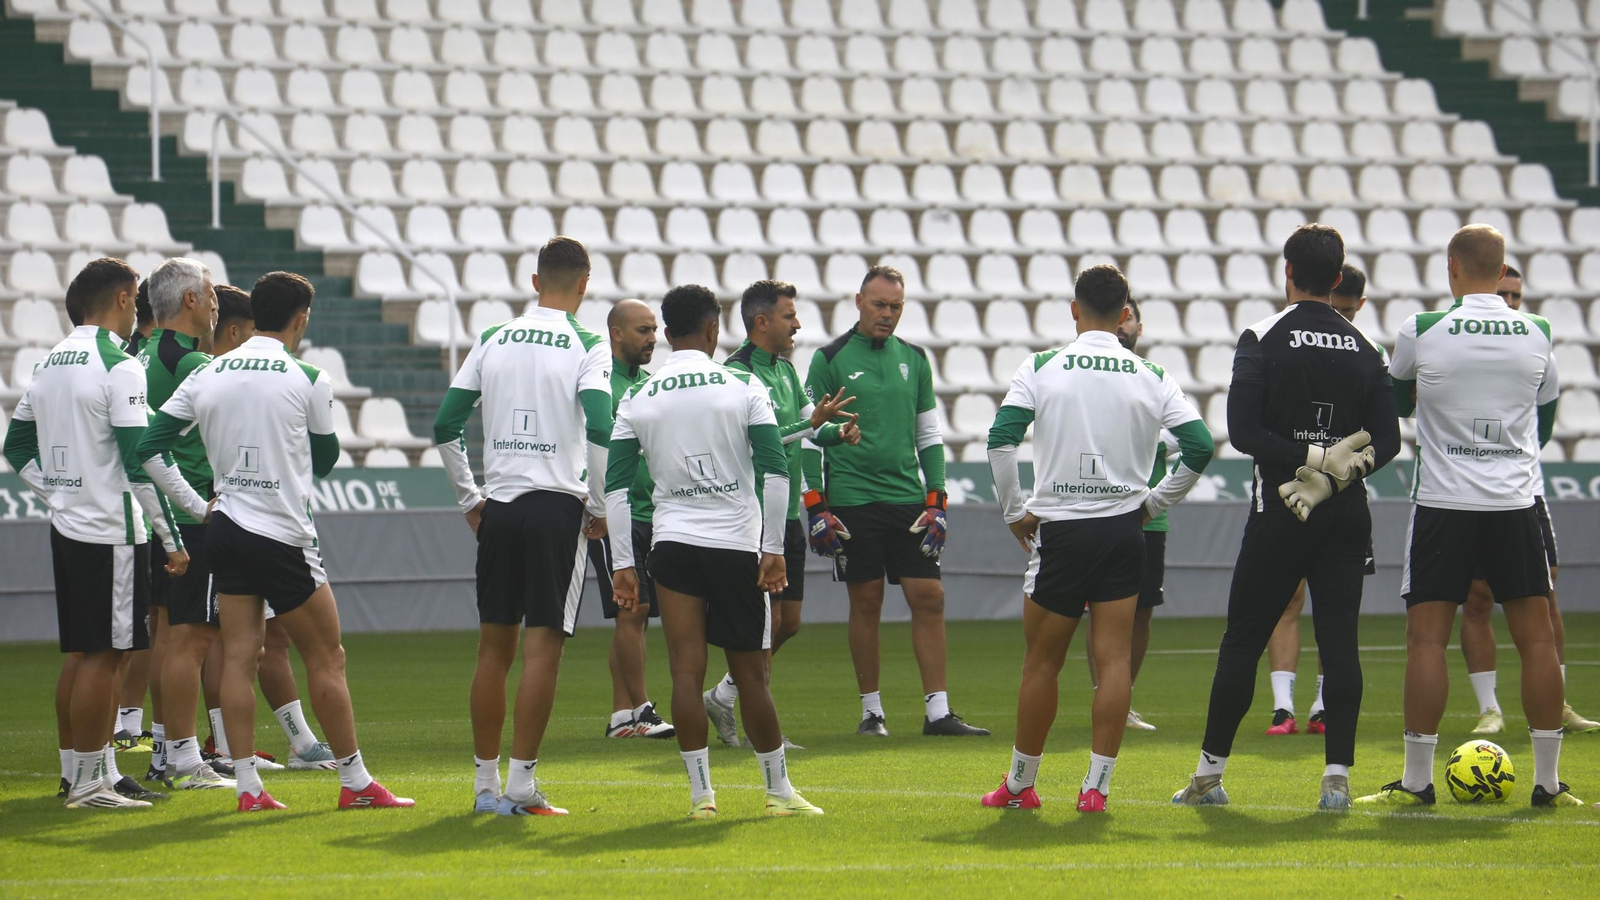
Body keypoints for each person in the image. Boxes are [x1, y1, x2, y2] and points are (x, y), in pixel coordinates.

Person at [137, 271, 413, 812]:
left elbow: (148, 448)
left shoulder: (208, 374)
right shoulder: (308, 375)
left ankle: (248, 787)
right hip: (284, 533)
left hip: (227, 527)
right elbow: (327, 459)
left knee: (239, 656)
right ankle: (355, 783)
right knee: (326, 657)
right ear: (301, 319)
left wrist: (198, 506)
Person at [1172, 224, 1400, 812]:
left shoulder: (1261, 336)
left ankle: (1208, 777)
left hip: (1278, 512)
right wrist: (1331, 474)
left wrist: (1308, 460)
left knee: (1242, 641)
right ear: (1338, 275)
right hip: (1345, 516)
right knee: (1341, 644)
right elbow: (1391, 441)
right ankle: (1337, 781)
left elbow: (1245, 433)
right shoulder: (1366, 349)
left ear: (1288, 271)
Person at [1357, 225, 1583, 808]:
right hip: (1514, 502)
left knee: (1425, 639)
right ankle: (1549, 784)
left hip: (1443, 503)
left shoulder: (1423, 329)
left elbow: (1399, 399)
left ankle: (1416, 781)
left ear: (1452, 267)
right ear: (1501, 267)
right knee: (1536, 639)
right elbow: (1544, 415)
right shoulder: (1538, 332)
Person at [983, 265, 1213, 813]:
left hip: (1061, 529)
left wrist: (1016, 513)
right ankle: (1096, 789)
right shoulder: (1150, 373)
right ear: (1125, 313)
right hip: (1122, 530)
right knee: (1113, 663)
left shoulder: (1042, 366)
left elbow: (1000, 440)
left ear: (1074, 308)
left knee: (1042, 664)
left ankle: (1021, 784)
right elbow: (1200, 445)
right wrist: (1153, 502)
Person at [604, 283, 823, 819]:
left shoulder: (639, 395)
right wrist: (773, 547)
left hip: (672, 543)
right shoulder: (742, 384)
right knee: (752, 674)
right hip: (735, 545)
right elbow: (774, 468)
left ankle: (702, 797)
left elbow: (612, 486)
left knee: (684, 673)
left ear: (668, 329)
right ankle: (777, 793)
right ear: (712, 329)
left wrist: (622, 565)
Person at [4, 257, 210, 809]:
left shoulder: (49, 361)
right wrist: (174, 537)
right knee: (109, 657)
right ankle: (93, 784)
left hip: (69, 525)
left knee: (81, 653)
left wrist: (59, 491)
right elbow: (141, 460)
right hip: (112, 530)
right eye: (135, 297)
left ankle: (78, 774)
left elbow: (15, 446)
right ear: (123, 298)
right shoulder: (120, 365)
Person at [431, 237, 611, 816]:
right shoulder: (588, 342)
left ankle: (485, 788)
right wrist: (602, 506)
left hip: (501, 508)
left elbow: (444, 424)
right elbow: (604, 429)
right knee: (543, 654)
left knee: (492, 651)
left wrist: (470, 500)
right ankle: (522, 787)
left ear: (535, 282)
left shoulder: (492, 336)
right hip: (557, 505)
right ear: (583, 286)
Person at [803, 266, 987, 737]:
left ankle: (938, 712)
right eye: (880, 304)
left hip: (908, 497)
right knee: (866, 602)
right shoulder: (829, 359)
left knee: (930, 597)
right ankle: (872, 712)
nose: (887, 314)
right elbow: (810, 436)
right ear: (859, 300)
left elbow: (928, 434)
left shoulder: (916, 359)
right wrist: (816, 505)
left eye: (896, 307)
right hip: (853, 499)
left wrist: (938, 497)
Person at [706, 280, 859, 749]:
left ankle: (722, 694)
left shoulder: (787, 372)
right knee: (761, 628)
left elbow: (808, 424)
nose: (798, 324)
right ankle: (761, 732)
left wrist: (835, 431)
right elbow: (759, 441)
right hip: (751, 515)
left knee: (785, 622)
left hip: (786, 511)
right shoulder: (735, 374)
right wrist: (810, 425)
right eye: (790, 316)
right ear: (761, 322)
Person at [1455, 266, 1600, 736]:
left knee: (1546, 592)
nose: (1512, 303)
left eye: (1516, 295)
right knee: (1476, 599)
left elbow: (1543, 428)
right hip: (1467, 491)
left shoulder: (1538, 348)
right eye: (1503, 294)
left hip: (1523, 490)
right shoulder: (1455, 346)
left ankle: (1557, 704)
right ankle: (1488, 708)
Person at [1262, 265, 1384, 737]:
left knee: (1336, 605)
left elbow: (1380, 434)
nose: (1339, 316)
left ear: (1359, 306)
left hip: (1344, 495)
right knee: (1288, 597)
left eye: (1348, 310)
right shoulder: (1291, 344)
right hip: (1292, 486)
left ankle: (1321, 705)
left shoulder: (1368, 353)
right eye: (1335, 307)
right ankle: (1282, 708)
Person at [133, 258, 237, 792]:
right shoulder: (195, 365)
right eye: (210, 294)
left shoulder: (148, 352)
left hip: (156, 514)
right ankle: (184, 759)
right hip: (189, 514)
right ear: (191, 301)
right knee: (190, 641)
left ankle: (166, 750)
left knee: (167, 636)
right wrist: (202, 507)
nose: (217, 303)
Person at [587, 298, 675, 740]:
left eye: (655, 330)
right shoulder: (599, 385)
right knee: (632, 608)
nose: (653, 339)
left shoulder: (650, 385)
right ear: (616, 333)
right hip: (613, 514)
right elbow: (584, 443)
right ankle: (641, 710)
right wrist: (594, 505)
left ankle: (622, 715)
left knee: (636, 617)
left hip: (652, 511)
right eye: (643, 330)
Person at [1082, 296, 1166, 732]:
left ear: (1137, 325)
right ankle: (1107, 697)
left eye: (1131, 317)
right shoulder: (1082, 374)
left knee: (1144, 608)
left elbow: (1181, 439)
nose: (1124, 324)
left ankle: (1121, 698)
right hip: (1097, 508)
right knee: (1100, 607)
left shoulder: (1155, 378)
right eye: (1120, 314)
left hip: (1148, 515)